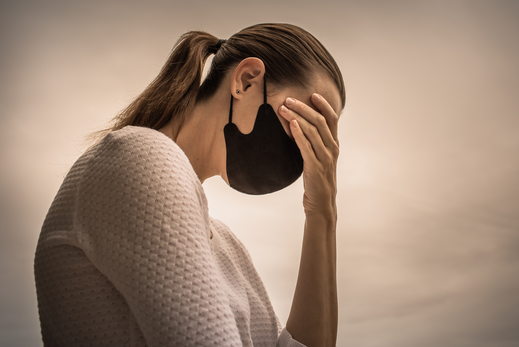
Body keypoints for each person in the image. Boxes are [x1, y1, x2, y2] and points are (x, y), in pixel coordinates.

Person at [33, 23, 346, 347]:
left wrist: (323, 212)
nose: (306, 151)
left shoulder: (227, 245)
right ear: (246, 80)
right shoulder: (138, 157)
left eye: (322, 140)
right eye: (307, 124)